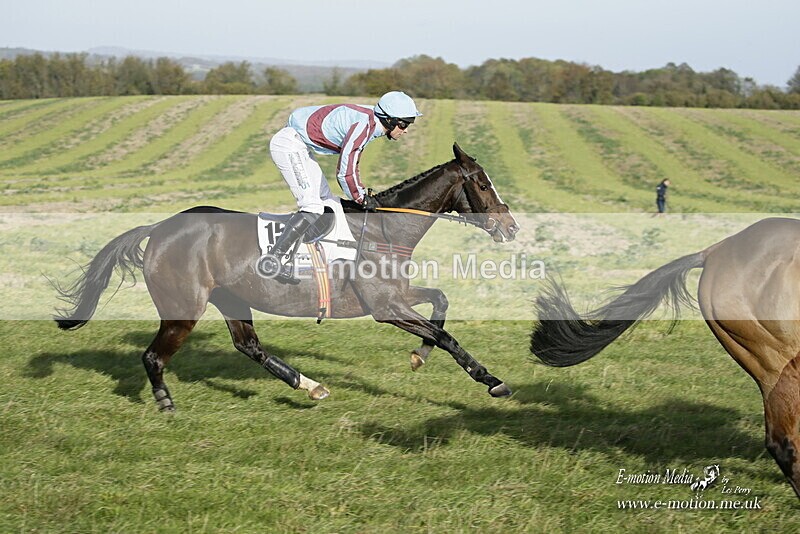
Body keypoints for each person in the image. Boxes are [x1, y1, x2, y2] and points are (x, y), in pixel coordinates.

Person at [262, 91, 422, 283]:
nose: (406, 130)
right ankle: (272, 260)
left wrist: (360, 193)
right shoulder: (364, 127)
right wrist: (361, 198)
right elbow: (345, 172)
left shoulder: (372, 122)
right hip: (289, 145)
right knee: (312, 206)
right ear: (389, 120)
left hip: (300, 144)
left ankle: (316, 256)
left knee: (329, 202)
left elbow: (351, 165)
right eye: (404, 124)